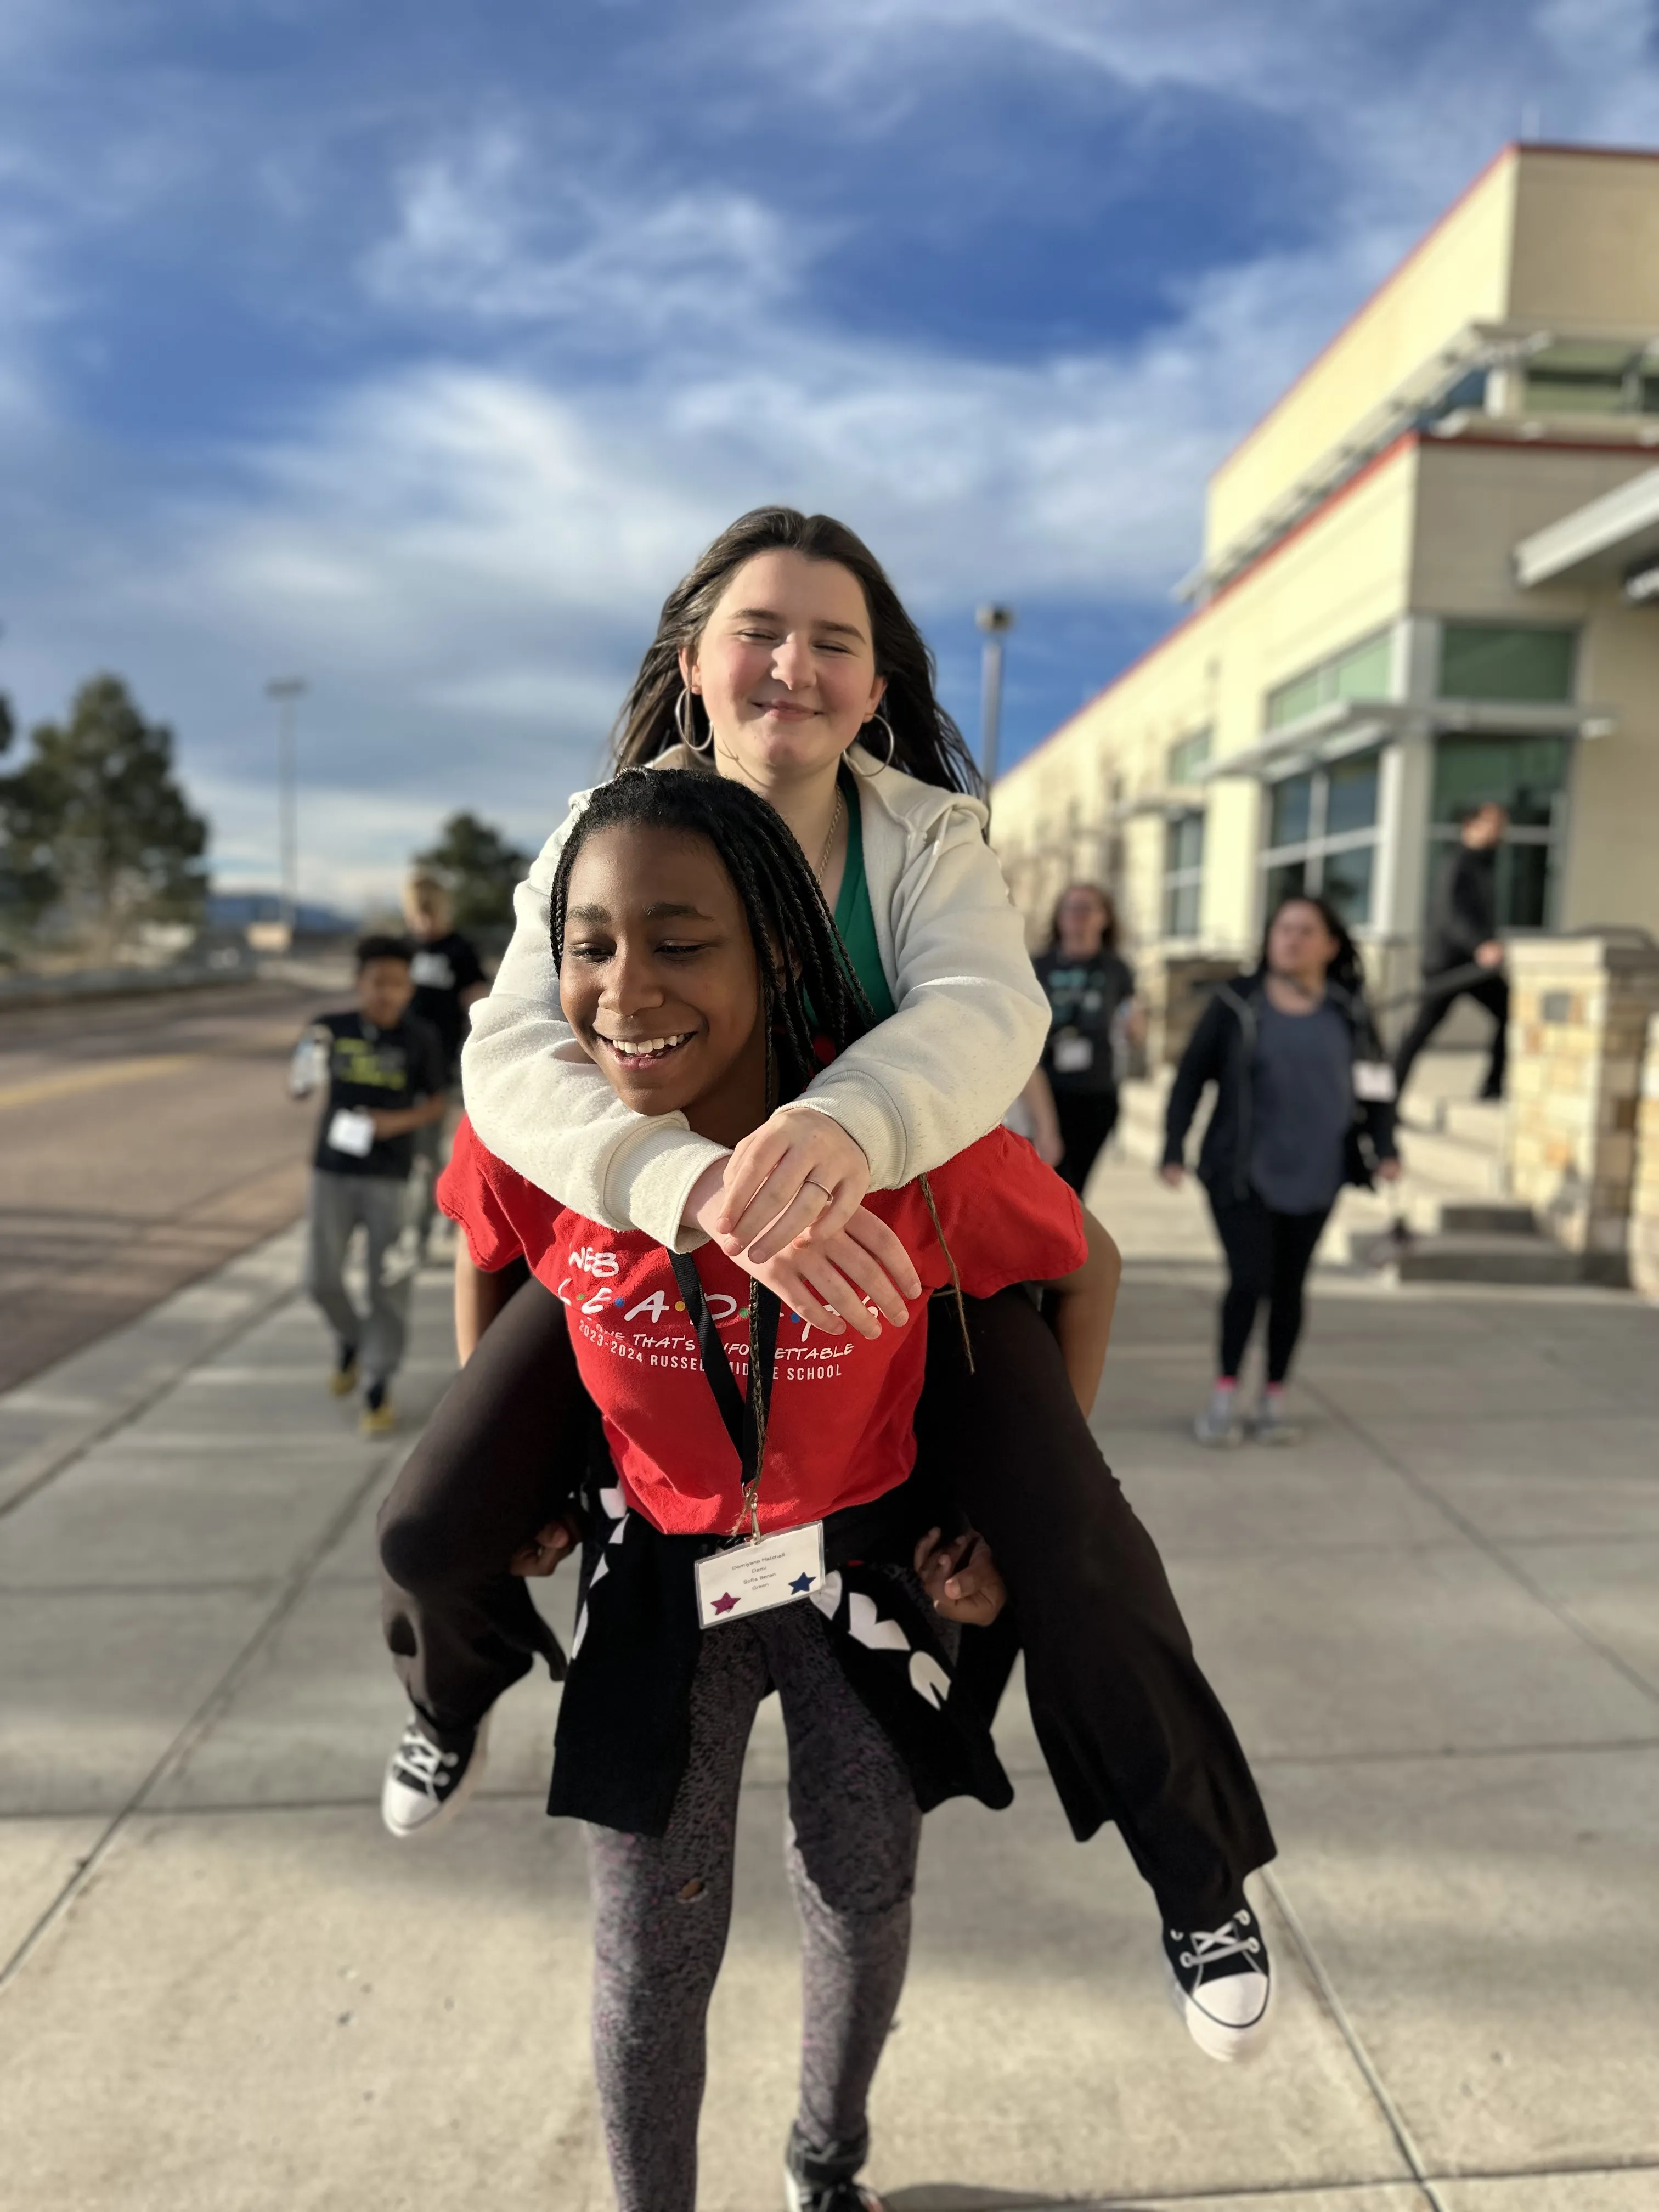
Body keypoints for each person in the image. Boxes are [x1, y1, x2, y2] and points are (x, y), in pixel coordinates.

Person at [381, 507, 1279, 2070]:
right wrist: (684, 1187)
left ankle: (1197, 1881)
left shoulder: (926, 838)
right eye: (761, 629)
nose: (794, 662)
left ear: (875, 689)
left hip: (882, 1248)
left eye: (835, 641)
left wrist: (835, 1133)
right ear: (692, 664)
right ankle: (451, 1696)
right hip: (655, 1236)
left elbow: (983, 1011)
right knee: (429, 1521)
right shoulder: (601, 820)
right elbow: (512, 1054)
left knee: (1080, 1544)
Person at [416, 769, 1119, 2212]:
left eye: (681, 942)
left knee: (861, 1896)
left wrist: (1021, 1518)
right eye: (590, 945)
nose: (624, 993)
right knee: (651, 1950)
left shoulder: (904, 1153)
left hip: (864, 1573)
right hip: (657, 1586)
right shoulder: (549, 1138)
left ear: (774, 957)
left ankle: (826, 2166)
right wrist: (523, 1469)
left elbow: (1082, 1265)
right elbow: (482, 1256)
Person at [1161, 894, 1400, 1448]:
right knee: (1249, 1281)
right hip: (1241, 1173)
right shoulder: (1236, 1004)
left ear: (1331, 945)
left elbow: (1377, 1088)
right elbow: (1191, 1078)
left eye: (1305, 931)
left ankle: (1274, 1398)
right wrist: (1174, 1146)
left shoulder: (1350, 1011)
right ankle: (1224, 1396)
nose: (1290, 939)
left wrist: (1385, 1146)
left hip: (1317, 1171)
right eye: (1282, 929)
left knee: (1290, 1286)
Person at [289, 935, 447, 1434]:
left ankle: (378, 1383)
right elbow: (298, 1085)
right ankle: (352, 1340)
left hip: (393, 1180)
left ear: (408, 988)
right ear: (359, 982)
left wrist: (390, 1124)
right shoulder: (329, 1029)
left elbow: (436, 1103)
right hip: (332, 1174)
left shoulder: (420, 1038)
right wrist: (302, 1068)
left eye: (398, 984)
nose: (387, 993)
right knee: (319, 1279)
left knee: (390, 1285)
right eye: (378, 982)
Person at [1392, 800, 1510, 1104]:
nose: (1499, 831)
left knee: (1511, 1011)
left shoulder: (1484, 864)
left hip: (1473, 967)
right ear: (1470, 826)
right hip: (1447, 966)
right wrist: (1480, 945)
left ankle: (1492, 1088)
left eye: (1502, 824)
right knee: (1420, 1033)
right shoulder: (1458, 864)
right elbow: (1450, 916)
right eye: (1492, 823)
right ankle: (1386, 1100)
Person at [1033, 882, 1141, 1194]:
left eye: (1087, 908)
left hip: (1096, 1092)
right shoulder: (1038, 966)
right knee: (1045, 1186)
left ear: (1104, 918)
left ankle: (1068, 1242)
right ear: (1058, 917)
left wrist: (1136, 1025)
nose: (1078, 917)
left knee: (1074, 1190)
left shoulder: (1117, 970)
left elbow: (1133, 1028)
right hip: (1045, 1089)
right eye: (1071, 908)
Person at [401, 872, 487, 1260]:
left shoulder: (459, 950)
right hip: (410, 1070)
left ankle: (454, 1220)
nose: (425, 923)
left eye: (430, 913)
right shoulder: (404, 950)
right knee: (422, 1158)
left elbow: (477, 1003)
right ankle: (418, 1235)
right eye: (417, 915)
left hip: (452, 1065)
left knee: (464, 1148)